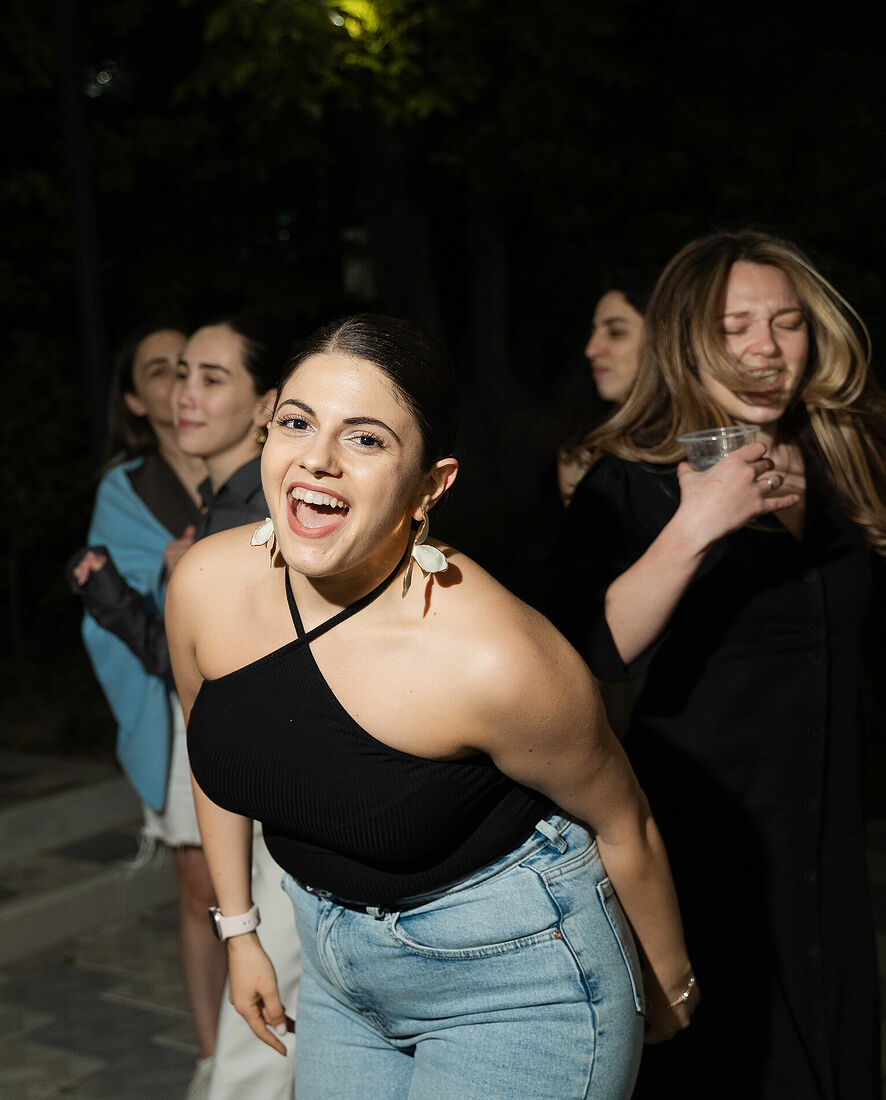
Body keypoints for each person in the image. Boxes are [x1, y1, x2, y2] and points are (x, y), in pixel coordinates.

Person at [166, 313, 698, 1100]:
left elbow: (626, 822)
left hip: (519, 977)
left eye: (366, 438)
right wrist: (240, 931)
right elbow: (213, 752)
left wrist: (671, 983)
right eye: (298, 422)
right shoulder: (203, 587)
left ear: (431, 486)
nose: (317, 458)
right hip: (336, 968)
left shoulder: (495, 656)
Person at [545, 230, 886, 1098]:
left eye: (787, 323)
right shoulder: (632, 480)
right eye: (736, 326)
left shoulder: (844, 454)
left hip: (831, 849)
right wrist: (694, 527)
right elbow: (583, 654)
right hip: (706, 856)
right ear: (687, 338)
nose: (766, 348)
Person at [72, 317, 301, 1100]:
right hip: (254, 770)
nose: (184, 394)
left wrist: (140, 592)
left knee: (265, 1033)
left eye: (209, 376)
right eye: (176, 375)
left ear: (265, 403)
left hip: (285, 789)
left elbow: (207, 670)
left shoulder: (255, 514)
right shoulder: (222, 504)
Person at [68, 323, 221, 1096]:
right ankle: (212, 1055)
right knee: (201, 890)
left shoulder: (251, 469)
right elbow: (110, 617)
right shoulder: (125, 491)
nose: (180, 384)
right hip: (175, 708)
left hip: (257, 698)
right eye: (161, 370)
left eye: (192, 367)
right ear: (134, 399)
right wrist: (172, 578)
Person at [556, 275, 651, 506]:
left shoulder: (705, 434)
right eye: (593, 332)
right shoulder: (581, 444)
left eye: (616, 332)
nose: (591, 350)